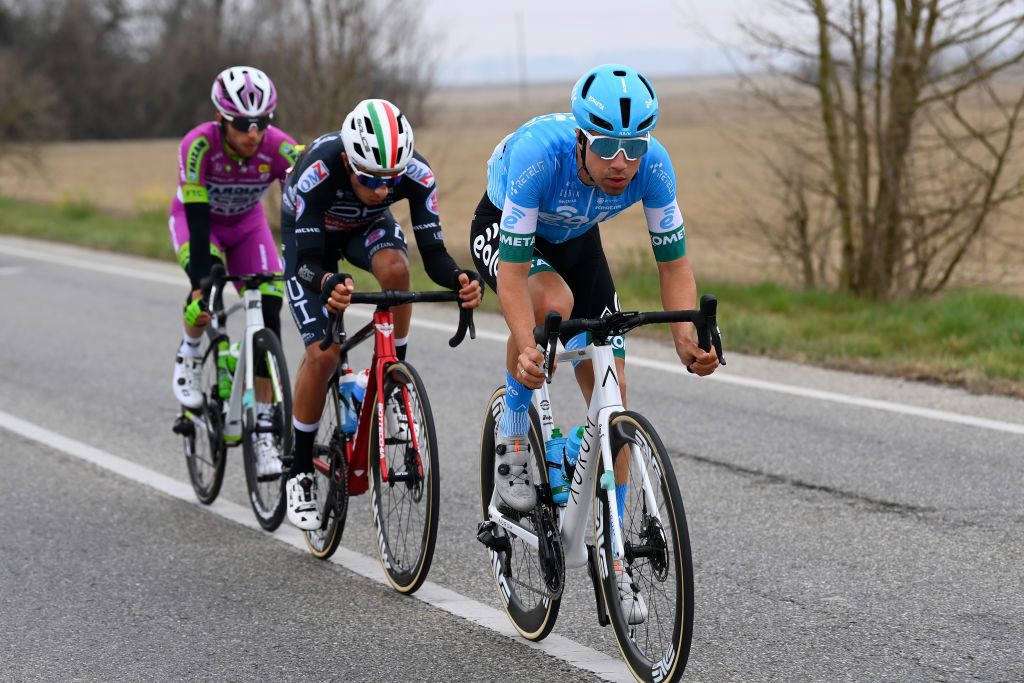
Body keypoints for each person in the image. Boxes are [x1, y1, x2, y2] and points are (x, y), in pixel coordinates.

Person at [469, 63, 720, 622]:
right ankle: (514, 432)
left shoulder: (653, 167)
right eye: (606, 146)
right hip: (509, 231)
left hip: (577, 241)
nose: (621, 163)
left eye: (633, 147)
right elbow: (511, 277)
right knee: (551, 305)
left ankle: (614, 558)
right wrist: (526, 344)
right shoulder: (541, 154)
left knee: (615, 389)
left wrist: (685, 336)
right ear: (582, 137)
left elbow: (674, 263)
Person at [280, 98, 482, 530]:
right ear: (349, 163)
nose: (382, 191)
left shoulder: (416, 174)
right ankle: (298, 469)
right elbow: (309, 262)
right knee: (323, 353)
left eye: (391, 181)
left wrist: (459, 279)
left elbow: (433, 254)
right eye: (371, 179)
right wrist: (327, 284)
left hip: (365, 228)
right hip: (311, 242)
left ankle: (393, 383)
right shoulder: (317, 171)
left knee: (396, 269)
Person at [169, 65, 300, 477]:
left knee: (272, 309)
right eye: (243, 124)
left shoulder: (281, 149)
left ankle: (263, 430)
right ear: (222, 119)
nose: (254, 133)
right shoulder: (198, 145)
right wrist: (200, 278)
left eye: (262, 122)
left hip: (247, 227)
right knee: (205, 291)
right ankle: (190, 354)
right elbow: (196, 212)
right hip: (200, 224)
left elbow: (303, 205)